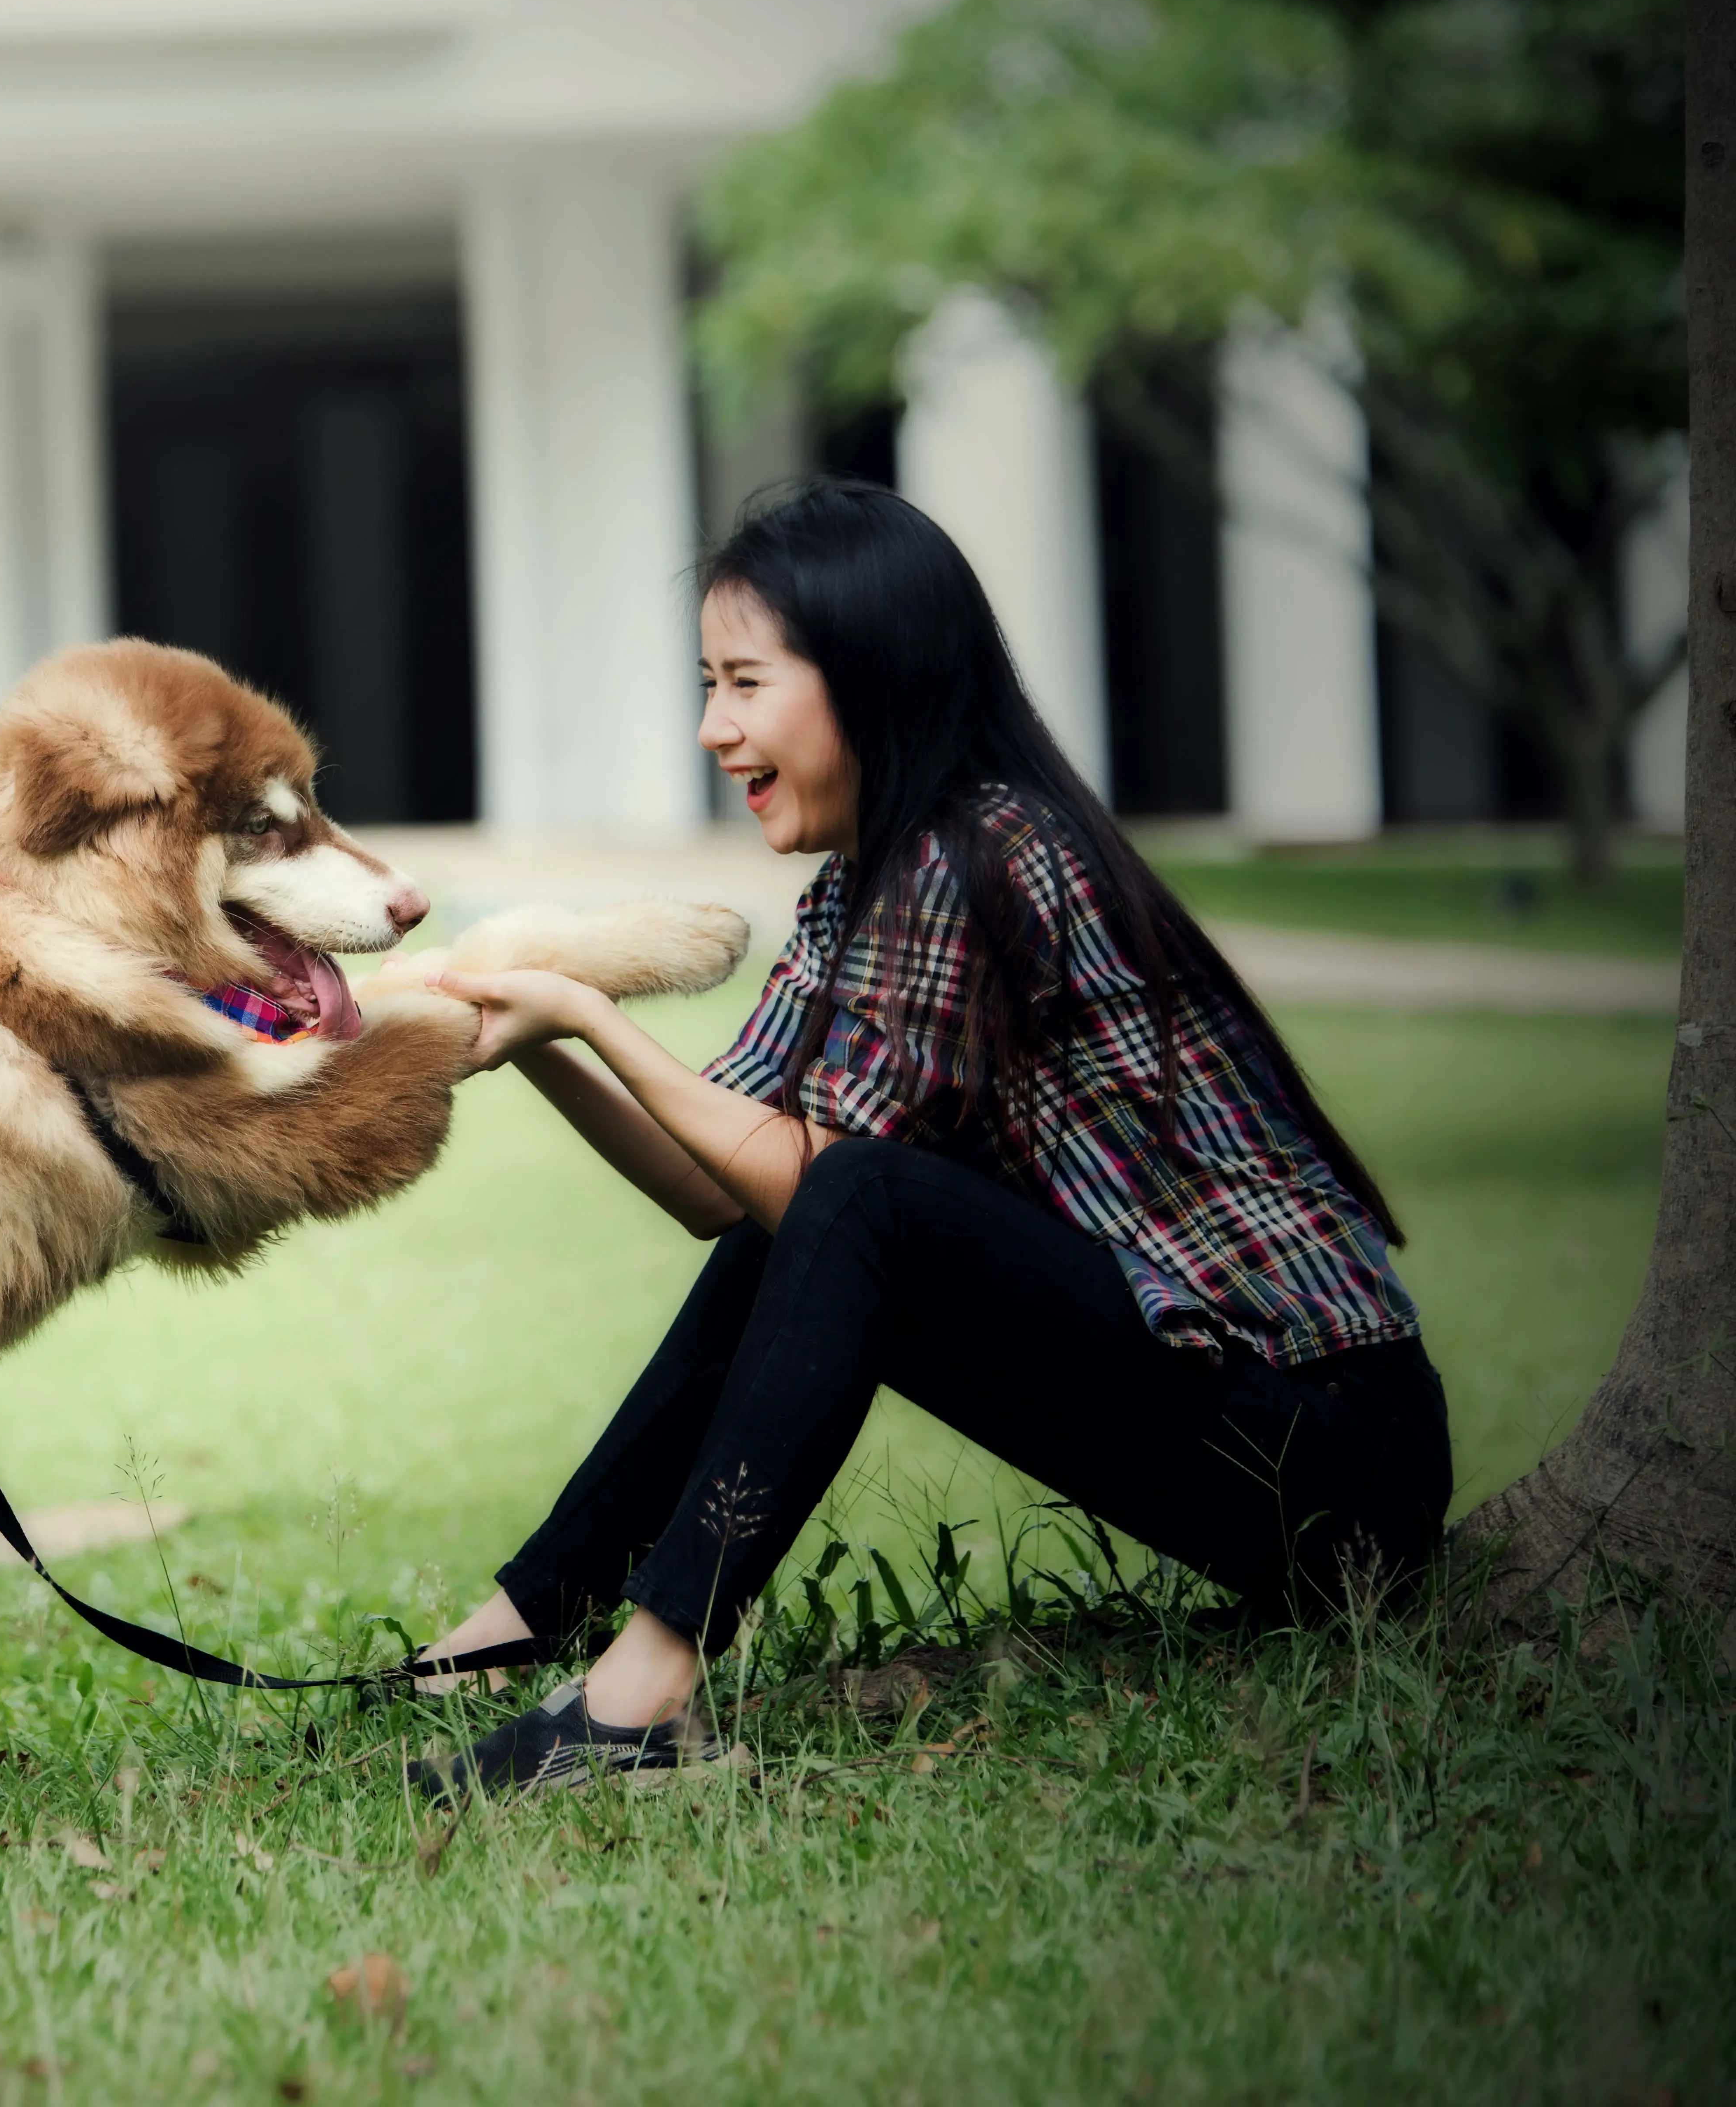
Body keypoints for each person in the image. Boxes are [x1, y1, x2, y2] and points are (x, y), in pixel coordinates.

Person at [407, 478, 1453, 1804]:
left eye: (742, 682)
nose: (710, 728)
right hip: (1239, 1437)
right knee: (816, 1209)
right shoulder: (866, 879)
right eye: (706, 684)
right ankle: (504, 1643)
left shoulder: (982, 850)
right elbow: (714, 1188)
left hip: (1335, 1460)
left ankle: (642, 1698)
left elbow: (807, 1175)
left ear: (871, 674)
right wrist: (549, 1036)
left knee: (856, 1195)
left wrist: (585, 1011)